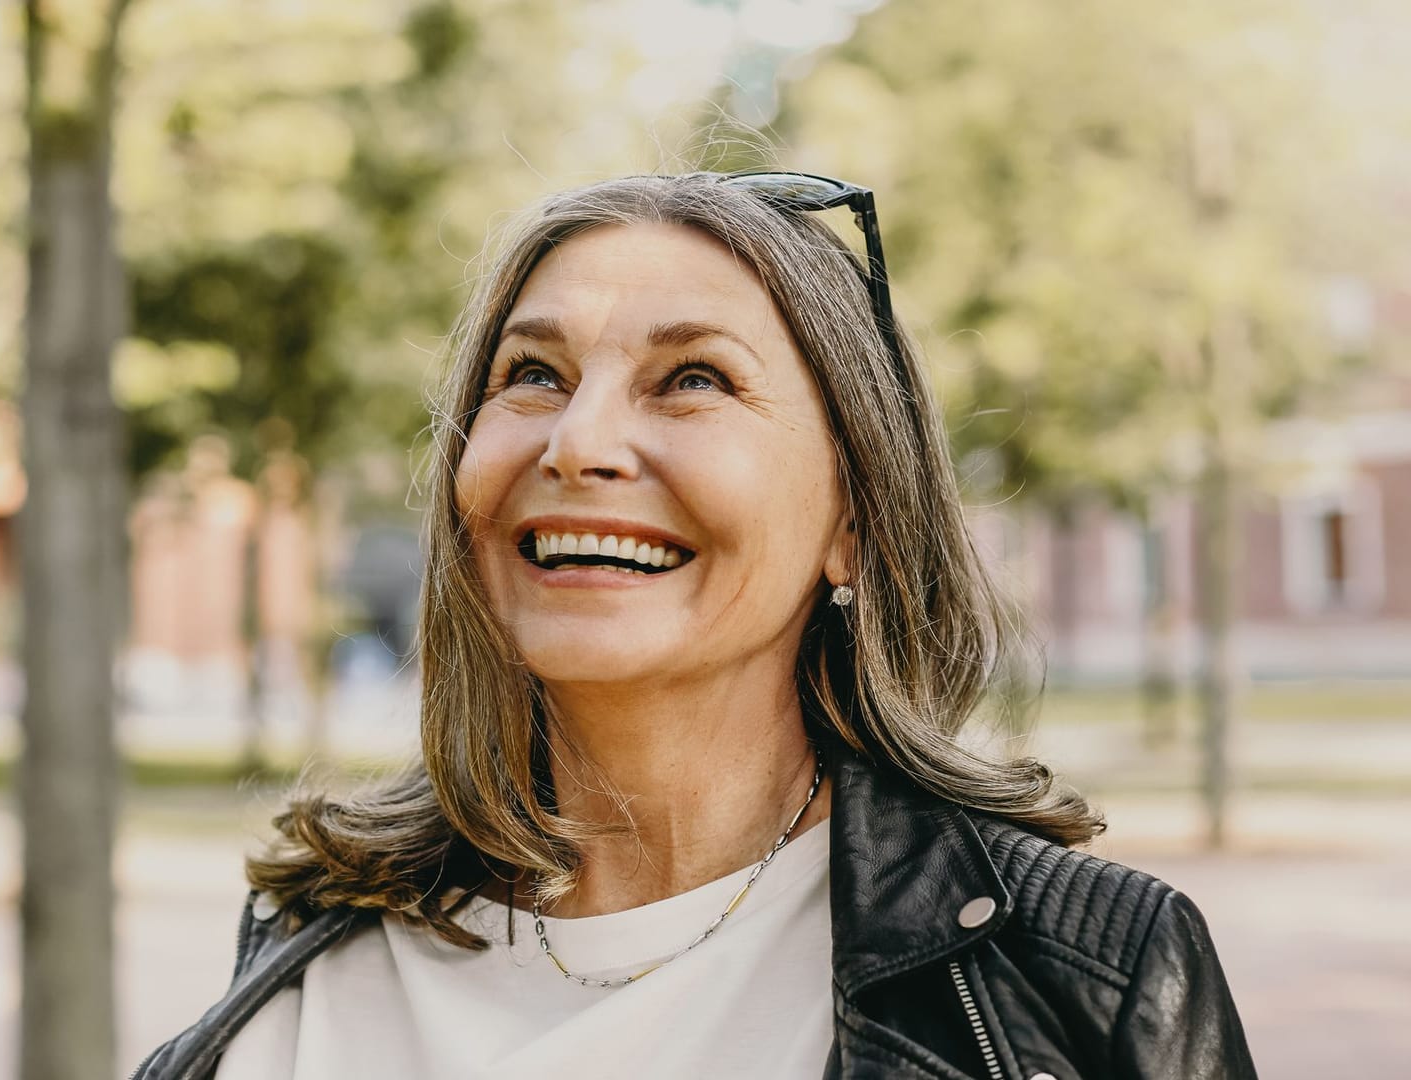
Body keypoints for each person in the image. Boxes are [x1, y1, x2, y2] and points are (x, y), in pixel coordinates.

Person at [135, 172, 1256, 1079]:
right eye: (532, 373)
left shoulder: (1078, 978)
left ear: (855, 519)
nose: (577, 444)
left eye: (693, 380)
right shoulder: (309, 949)